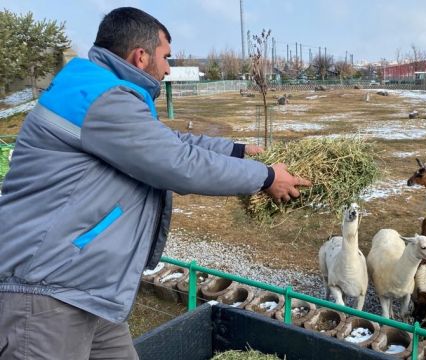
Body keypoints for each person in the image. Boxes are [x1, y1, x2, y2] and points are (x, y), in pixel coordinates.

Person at [0, 7, 310, 360]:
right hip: (47, 291)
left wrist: (238, 151)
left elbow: (167, 143)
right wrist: (265, 177)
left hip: (84, 286)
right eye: (166, 58)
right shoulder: (103, 98)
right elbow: (177, 163)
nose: (167, 69)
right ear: (141, 55)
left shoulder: (101, 90)